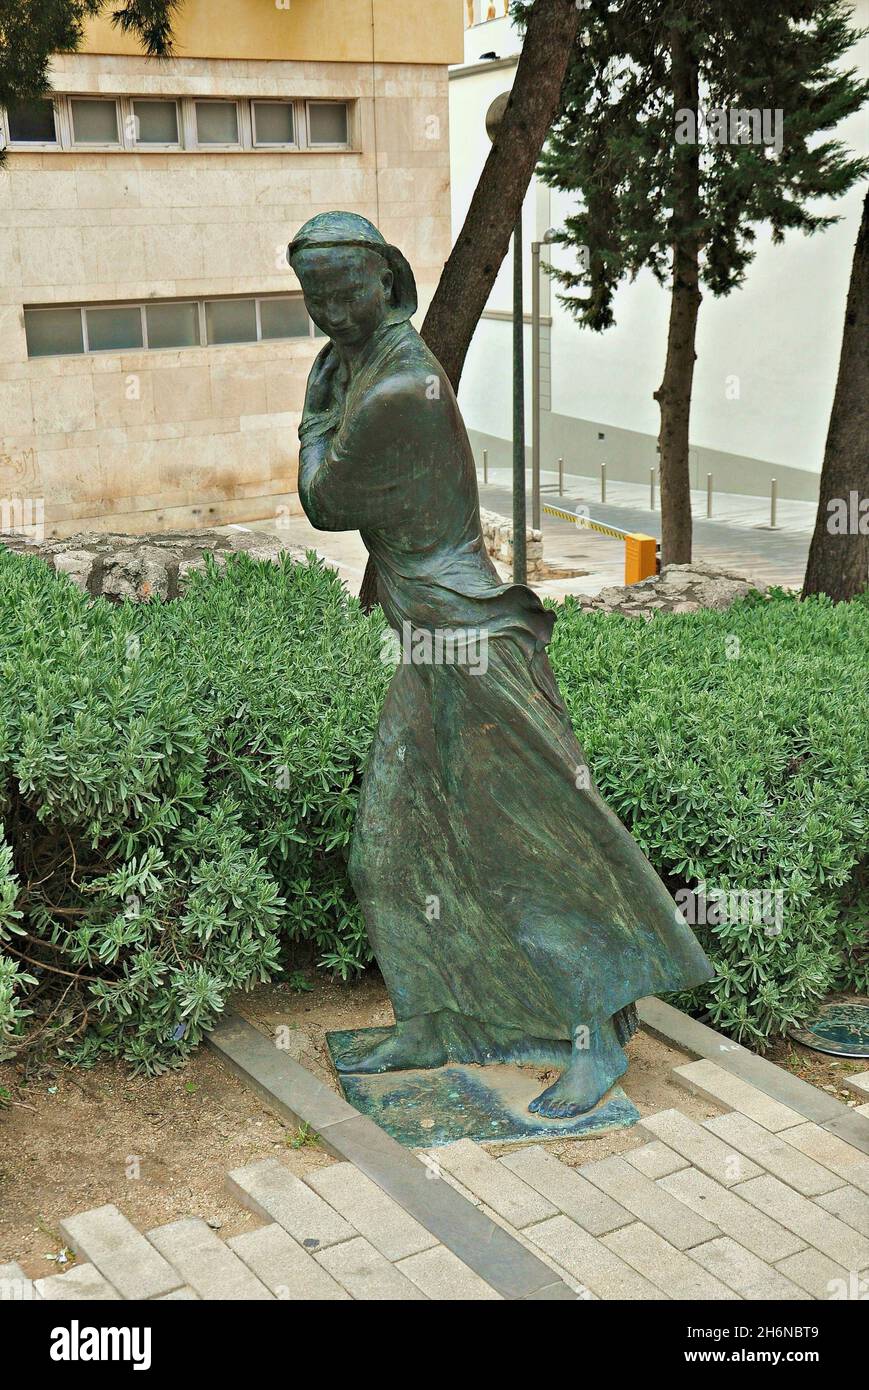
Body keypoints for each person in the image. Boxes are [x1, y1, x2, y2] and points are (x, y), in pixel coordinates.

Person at [289, 211, 713, 1117]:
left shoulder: (397, 387)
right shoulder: (357, 363)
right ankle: (440, 1018)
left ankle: (593, 1037)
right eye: (312, 294)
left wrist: (313, 416)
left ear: (386, 278)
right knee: (389, 846)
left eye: (341, 290)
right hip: (427, 641)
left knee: (532, 845)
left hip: (470, 643)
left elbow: (323, 503)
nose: (326, 311)